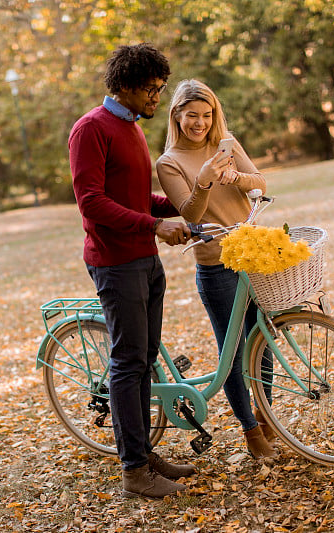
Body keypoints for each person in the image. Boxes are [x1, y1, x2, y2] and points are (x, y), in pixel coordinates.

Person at [68, 44, 196, 498]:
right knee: (127, 362)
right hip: (114, 261)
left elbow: (135, 198)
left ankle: (144, 451)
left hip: (145, 257)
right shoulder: (90, 129)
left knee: (144, 361)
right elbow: (93, 204)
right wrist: (154, 225)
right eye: (152, 89)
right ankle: (134, 471)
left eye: (161, 89)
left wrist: (183, 211)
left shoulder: (133, 129)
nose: (158, 98)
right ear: (125, 85)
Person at [156, 79, 277, 460]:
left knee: (265, 340)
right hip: (215, 266)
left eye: (207, 115)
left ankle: (266, 413)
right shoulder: (169, 162)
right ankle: (251, 429)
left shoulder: (226, 142)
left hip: (253, 255)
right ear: (177, 115)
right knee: (235, 353)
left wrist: (234, 177)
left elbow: (258, 181)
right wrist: (206, 179)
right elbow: (189, 213)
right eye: (193, 115)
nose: (201, 123)